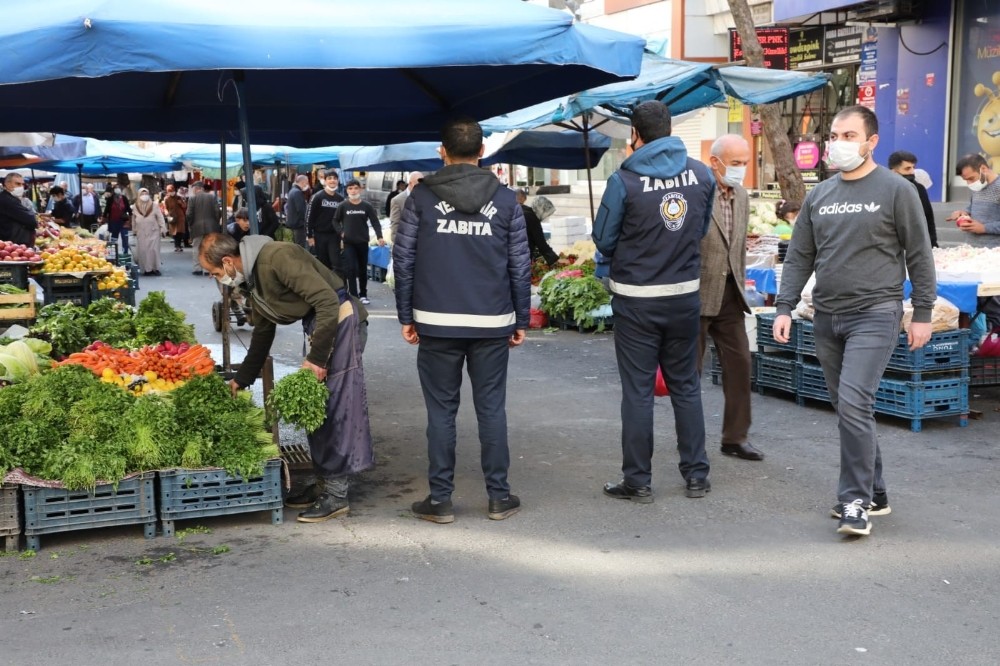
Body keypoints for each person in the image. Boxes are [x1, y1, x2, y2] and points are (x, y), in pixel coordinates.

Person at [773, 105, 935, 537]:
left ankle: (855, 502)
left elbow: (919, 253)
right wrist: (785, 306)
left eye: (849, 135)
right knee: (849, 408)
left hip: (876, 313)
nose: (838, 143)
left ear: (871, 142)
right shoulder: (819, 195)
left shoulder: (896, 190)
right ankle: (876, 492)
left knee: (854, 402)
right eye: (834, 135)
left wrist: (922, 313)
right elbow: (800, 256)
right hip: (827, 315)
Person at [393, 116, 529, 524]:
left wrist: (406, 315)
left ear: (442, 152)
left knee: (441, 412)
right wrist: (521, 317)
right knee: (491, 409)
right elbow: (520, 265)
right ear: (483, 151)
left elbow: (404, 259)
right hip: (492, 321)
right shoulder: (506, 201)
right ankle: (499, 497)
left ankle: (440, 500)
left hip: (435, 321)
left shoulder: (421, 198)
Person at [198, 232, 372, 522]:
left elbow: (328, 301)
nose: (217, 278)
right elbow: (263, 333)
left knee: (335, 409)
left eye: (215, 272)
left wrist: (316, 358)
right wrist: (241, 379)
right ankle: (324, 482)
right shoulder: (252, 279)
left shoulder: (277, 257)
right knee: (316, 409)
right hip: (321, 326)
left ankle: (337, 495)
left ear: (228, 262)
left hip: (340, 321)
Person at [592, 100, 715, 503]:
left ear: (635, 135)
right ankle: (697, 476)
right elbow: (697, 228)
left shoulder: (623, 180)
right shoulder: (700, 175)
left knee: (639, 392)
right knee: (686, 387)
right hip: (684, 297)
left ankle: (638, 481)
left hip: (637, 300)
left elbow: (604, 238)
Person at [698, 134, 763, 462]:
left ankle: (735, 438)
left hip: (730, 295)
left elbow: (736, 247)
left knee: (740, 364)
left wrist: (742, 283)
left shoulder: (742, 195)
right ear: (715, 162)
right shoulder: (695, 191)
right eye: (735, 163)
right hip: (695, 296)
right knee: (687, 374)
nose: (741, 169)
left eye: (745, 163)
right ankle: (692, 442)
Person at [335, 179, 384, 304]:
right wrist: (341, 232)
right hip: (348, 243)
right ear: (347, 190)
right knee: (350, 269)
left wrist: (379, 236)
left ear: (360, 189)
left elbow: (375, 222)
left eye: (356, 188)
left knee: (362, 269)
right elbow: (335, 220)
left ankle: (363, 294)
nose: (353, 191)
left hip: (362, 241)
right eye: (350, 188)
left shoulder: (366, 206)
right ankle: (354, 295)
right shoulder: (343, 205)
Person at [946, 154, 1000, 246]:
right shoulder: (979, 185)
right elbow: (972, 208)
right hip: (971, 247)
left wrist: (984, 228)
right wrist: (963, 213)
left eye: (971, 178)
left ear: (983, 168)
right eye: (966, 180)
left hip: (994, 251)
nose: (969, 183)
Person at [888, 150, 938, 248]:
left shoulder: (919, 189)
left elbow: (928, 218)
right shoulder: (883, 189)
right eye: (907, 168)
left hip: (915, 245)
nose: (912, 172)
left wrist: (932, 243)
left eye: (913, 167)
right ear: (894, 171)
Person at [307, 170, 345, 275]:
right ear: (325, 181)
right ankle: (326, 288)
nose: (332, 181)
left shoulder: (340, 199)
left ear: (338, 181)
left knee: (337, 263)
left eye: (334, 178)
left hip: (334, 235)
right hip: (320, 235)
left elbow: (343, 219)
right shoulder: (317, 197)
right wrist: (309, 235)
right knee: (323, 264)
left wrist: (343, 235)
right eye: (329, 178)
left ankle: (341, 289)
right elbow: (309, 217)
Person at [516, 188, 558, 266]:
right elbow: (541, 244)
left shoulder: (521, 211)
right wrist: (555, 260)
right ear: (541, 210)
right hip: (521, 256)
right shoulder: (532, 217)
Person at [186, 181, 221, 275]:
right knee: (208, 247)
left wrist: (191, 224)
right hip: (211, 226)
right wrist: (215, 222)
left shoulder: (192, 198)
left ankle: (197, 268)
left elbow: (189, 214)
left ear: (196, 189)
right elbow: (217, 211)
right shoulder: (212, 197)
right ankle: (207, 269)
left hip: (197, 227)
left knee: (197, 247)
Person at [131, 187, 166, 276]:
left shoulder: (154, 205)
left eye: (146, 194)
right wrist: (134, 229)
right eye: (142, 194)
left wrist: (163, 228)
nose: (144, 196)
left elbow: (160, 217)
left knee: (153, 250)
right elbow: (134, 219)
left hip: (153, 231)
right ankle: (147, 269)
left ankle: (155, 268)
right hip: (141, 232)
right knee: (143, 251)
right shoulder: (135, 206)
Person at [0, 172, 37, 247]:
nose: (21, 187)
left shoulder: (9, 198)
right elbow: (31, 221)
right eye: (18, 184)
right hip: (12, 244)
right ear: (7, 184)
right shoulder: (8, 200)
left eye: (22, 184)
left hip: (12, 244)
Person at [388, 171, 423, 243]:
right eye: (418, 184)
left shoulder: (425, 198)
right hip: (404, 243)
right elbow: (395, 224)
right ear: (410, 183)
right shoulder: (397, 200)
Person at [103, 184, 133, 255]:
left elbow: (129, 210)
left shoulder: (124, 198)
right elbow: (106, 210)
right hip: (113, 222)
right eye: (116, 188)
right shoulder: (110, 199)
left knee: (125, 238)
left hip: (123, 222)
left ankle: (125, 253)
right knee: (114, 238)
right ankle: (113, 254)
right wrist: (103, 219)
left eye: (118, 188)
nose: (117, 189)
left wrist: (130, 221)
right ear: (113, 190)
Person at [283, 174, 311, 248]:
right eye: (307, 182)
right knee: (300, 246)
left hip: (294, 223)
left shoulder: (292, 191)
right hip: (298, 224)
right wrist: (305, 222)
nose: (307, 184)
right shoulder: (297, 192)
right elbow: (301, 210)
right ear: (303, 182)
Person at [162, 183, 187, 253]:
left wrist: (181, 203)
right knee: (174, 232)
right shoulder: (166, 199)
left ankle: (178, 245)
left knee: (180, 231)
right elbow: (165, 208)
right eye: (170, 191)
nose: (171, 192)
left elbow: (185, 206)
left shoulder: (179, 197)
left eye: (172, 190)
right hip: (172, 216)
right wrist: (166, 213)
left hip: (180, 217)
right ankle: (177, 246)